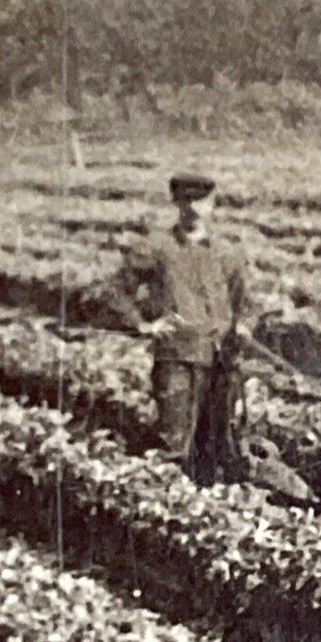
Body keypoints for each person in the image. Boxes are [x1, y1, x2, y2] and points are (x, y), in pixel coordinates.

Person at [108, 172, 252, 485]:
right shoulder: (157, 248)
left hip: (221, 361)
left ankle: (209, 513)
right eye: (186, 200)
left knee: (217, 446)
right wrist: (143, 325)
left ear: (212, 205)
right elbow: (118, 289)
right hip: (178, 357)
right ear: (176, 203)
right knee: (173, 443)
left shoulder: (228, 252)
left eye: (201, 200)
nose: (194, 208)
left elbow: (244, 303)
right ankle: (168, 504)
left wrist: (243, 327)